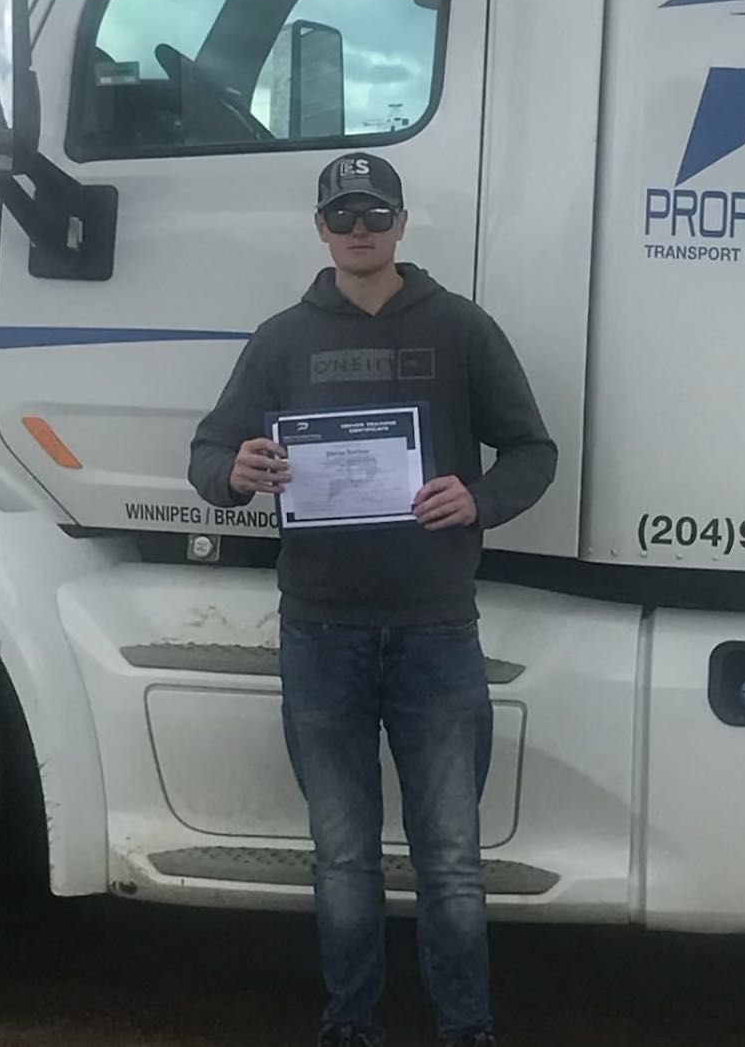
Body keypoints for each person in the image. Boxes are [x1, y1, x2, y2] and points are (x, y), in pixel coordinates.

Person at [188, 152, 557, 1047]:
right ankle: (351, 1023)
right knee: (343, 856)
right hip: (321, 632)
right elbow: (208, 457)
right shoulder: (281, 339)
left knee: (452, 861)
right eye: (345, 214)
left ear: (401, 222)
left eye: (377, 213)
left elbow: (532, 451)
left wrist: (481, 498)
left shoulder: (464, 329)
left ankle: (465, 1026)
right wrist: (235, 472)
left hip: (436, 631)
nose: (361, 229)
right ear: (321, 226)